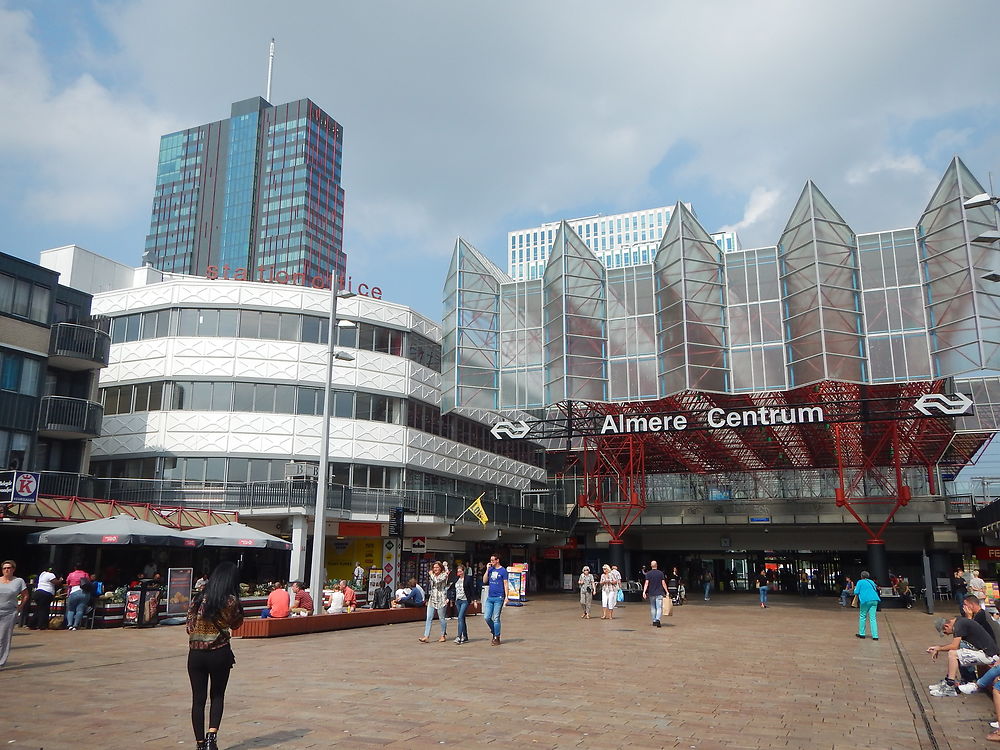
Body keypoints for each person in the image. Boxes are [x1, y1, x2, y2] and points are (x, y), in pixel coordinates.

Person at [186, 560, 243, 750]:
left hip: (195, 654)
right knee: (217, 695)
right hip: (219, 652)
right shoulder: (230, 600)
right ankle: (211, 737)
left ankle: (199, 743)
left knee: (198, 699)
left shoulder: (198, 598)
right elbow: (236, 624)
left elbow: (189, 627)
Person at [927, 615, 999, 697]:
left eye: (945, 632)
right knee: (955, 652)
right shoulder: (959, 621)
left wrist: (939, 648)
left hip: (988, 655)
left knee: (952, 654)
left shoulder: (958, 625)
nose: (947, 634)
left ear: (946, 626)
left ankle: (950, 686)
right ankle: (948, 681)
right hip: (986, 652)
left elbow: (954, 646)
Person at [0, 560, 28, 669]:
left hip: (9, 612)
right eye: (4, 568)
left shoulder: (18, 581)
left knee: (3, 637)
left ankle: (1, 661)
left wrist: (20, 607)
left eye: (9, 568)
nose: (7, 570)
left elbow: (25, 595)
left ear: (13, 569)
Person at [419, 561, 450, 643]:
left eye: (437, 567)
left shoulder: (444, 575)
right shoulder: (432, 576)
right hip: (432, 599)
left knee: (441, 618)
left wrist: (431, 574)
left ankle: (443, 635)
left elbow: (437, 581)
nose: (435, 569)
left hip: (441, 599)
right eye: (434, 567)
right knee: (429, 618)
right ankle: (426, 636)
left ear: (440, 568)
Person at [448, 563, 478, 644]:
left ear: (464, 571)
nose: (459, 573)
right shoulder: (456, 579)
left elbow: (472, 590)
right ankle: (465, 636)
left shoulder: (468, 579)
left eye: (460, 571)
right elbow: (452, 588)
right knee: (462, 618)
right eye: (458, 571)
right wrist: (450, 599)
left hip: (465, 600)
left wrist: (474, 600)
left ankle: (459, 636)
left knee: (460, 617)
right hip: (458, 600)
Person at [483, 555, 510, 645]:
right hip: (490, 597)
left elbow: (505, 583)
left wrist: (506, 596)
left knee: (496, 617)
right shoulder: (491, 570)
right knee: (486, 617)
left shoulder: (503, 571)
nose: (491, 562)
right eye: (490, 560)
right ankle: (494, 630)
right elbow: (484, 580)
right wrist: (487, 569)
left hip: (499, 597)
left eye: (493, 560)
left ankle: (496, 637)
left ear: (497, 560)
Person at [64, 562, 92, 631]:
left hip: (73, 592)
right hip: (83, 593)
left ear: (75, 567)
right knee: (80, 610)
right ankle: (75, 626)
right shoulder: (85, 574)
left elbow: (67, 583)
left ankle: (70, 625)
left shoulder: (71, 574)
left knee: (71, 610)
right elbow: (88, 583)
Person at [854, 571, 881, 640]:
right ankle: (875, 635)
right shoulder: (872, 582)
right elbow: (875, 589)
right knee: (873, 618)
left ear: (861, 576)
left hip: (865, 600)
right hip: (875, 599)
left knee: (862, 616)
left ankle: (862, 634)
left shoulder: (860, 582)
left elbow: (856, 592)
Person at [642, 560, 669, 627]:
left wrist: (644, 592)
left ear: (651, 566)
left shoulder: (648, 574)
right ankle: (657, 619)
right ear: (656, 565)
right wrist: (667, 591)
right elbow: (663, 583)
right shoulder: (660, 573)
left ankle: (654, 621)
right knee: (659, 607)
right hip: (659, 593)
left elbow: (646, 583)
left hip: (651, 593)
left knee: (653, 607)